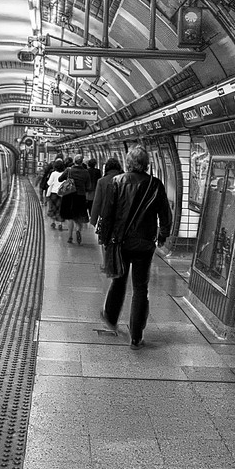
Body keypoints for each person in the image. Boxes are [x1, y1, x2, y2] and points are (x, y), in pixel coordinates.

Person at [97, 146, 172, 347]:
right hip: (145, 244)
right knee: (140, 287)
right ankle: (137, 335)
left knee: (119, 281)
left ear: (128, 162)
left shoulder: (117, 182)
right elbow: (165, 213)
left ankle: (111, 319)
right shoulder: (155, 185)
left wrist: (105, 239)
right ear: (146, 163)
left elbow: (108, 213)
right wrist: (163, 235)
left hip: (120, 242)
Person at [57, 154, 92, 244]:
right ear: (82, 162)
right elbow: (89, 187)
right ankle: (78, 231)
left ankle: (70, 237)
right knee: (79, 216)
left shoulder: (69, 170)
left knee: (70, 217)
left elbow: (60, 179)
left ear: (74, 161)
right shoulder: (86, 172)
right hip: (80, 196)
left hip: (69, 195)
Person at [89, 157, 122, 230]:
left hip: (105, 214)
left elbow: (97, 202)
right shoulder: (124, 180)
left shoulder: (101, 181)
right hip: (121, 215)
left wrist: (93, 220)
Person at [45, 159, 66, 230]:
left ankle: (53, 223)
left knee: (53, 208)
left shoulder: (53, 174)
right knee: (61, 209)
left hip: (53, 193)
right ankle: (60, 224)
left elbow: (49, 183)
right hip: (62, 194)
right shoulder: (65, 173)